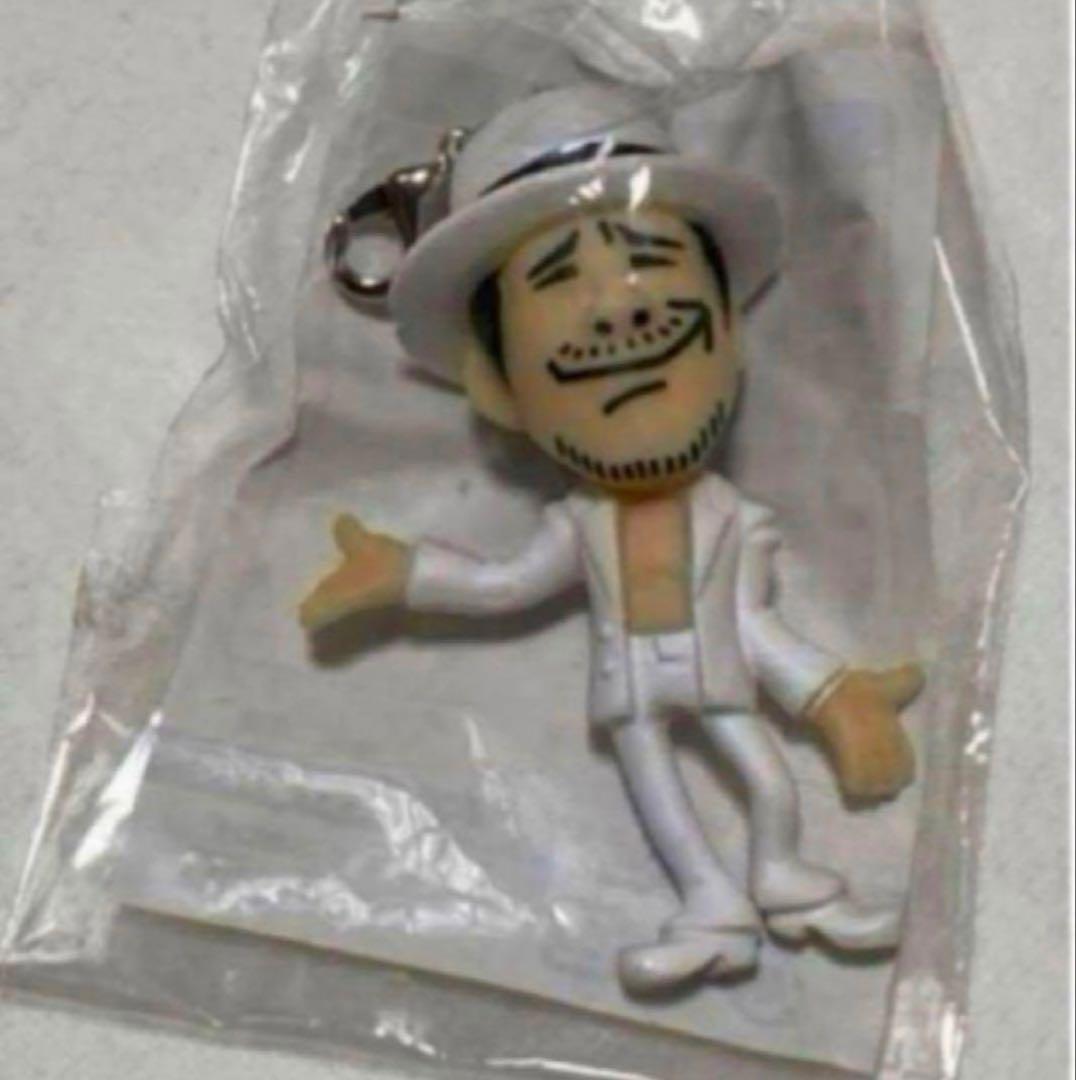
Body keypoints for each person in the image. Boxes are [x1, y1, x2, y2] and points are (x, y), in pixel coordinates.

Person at [300, 84, 922, 994]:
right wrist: (405, 572)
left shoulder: (731, 519)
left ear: (732, 336)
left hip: (717, 678)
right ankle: (711, 908)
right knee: (664, 804)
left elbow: (754, 628)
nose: (619, 313)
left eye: (652, 266)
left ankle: (785, 878)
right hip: (631, 695)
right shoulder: (576, 524)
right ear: (499, 390)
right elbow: (508, 584)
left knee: (770, 783)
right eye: (559, 284)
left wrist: (832, 696)